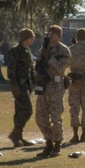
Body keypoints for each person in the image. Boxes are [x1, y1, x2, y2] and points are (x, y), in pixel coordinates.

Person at [34, 24, 71, 158]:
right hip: (43, 87)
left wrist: (49, 57)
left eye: (54, 33)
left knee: (56, 117)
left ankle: (57, 145)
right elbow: (37, 67)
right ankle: (48, 143)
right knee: (40, 117)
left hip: (56, 87)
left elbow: (61, 68)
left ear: (59, 36)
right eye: (50, 33)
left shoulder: (64, 50)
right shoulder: (42, 50)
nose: (51, 35)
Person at [6, 28, 36, 147]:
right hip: (19, 85)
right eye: (31, 37)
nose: (33, 40)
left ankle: (18, 137)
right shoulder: (15, 51)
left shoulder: (27, 51)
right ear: (25, 38)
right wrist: (14, 85)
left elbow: (31, 69)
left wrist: (34, 81)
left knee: (19, 111)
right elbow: (11, 69)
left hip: (26, 85)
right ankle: (15, 134)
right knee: (27, 110)